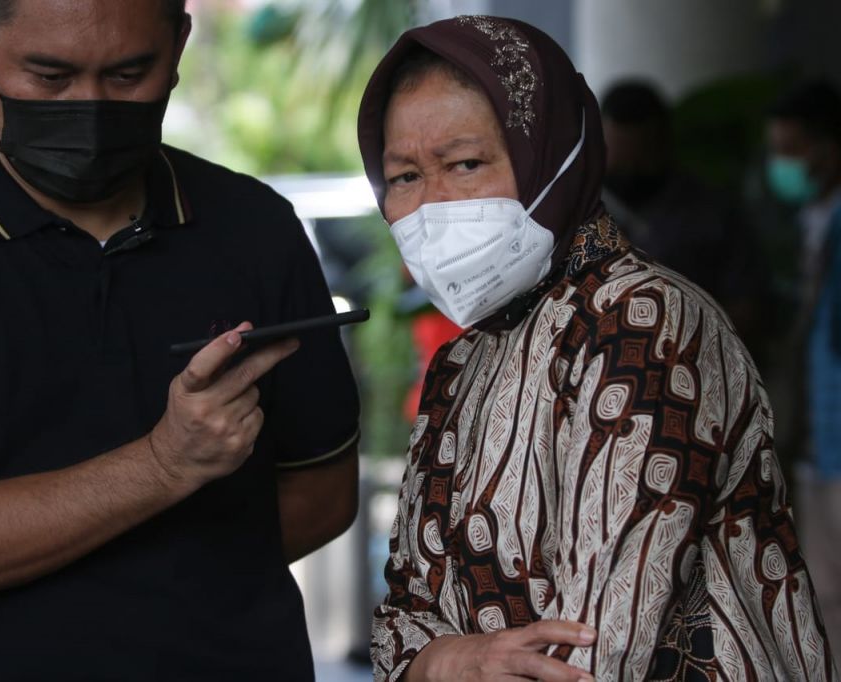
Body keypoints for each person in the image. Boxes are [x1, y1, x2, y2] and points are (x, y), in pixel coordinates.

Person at [0, 1, 360, 680]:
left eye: (130, 74)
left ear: (179, 45)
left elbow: (323, 494)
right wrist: (164, 466)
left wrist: (58, 559)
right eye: (50, 76)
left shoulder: (255, 229)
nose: (91, 106)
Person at [356, 15, 837, 681]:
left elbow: (597, 651)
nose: (432, 205)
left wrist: (444, 659)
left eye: (465, 164)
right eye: (404, 176)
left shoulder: (647, 324)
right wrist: (454, 658)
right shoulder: (460, 365)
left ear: (550, 156)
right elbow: (397, 623)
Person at [600, 80, 761, 361]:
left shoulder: (712, 212)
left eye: (640, 156)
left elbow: (747, 305)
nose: (630, 168)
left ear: (663, 143)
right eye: (619, 156)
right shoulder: (581, 211)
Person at [766, 78, 841, 667]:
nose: (785, 166)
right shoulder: (812, 224)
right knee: (825, 599)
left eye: (794, 150)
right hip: (819, 444)